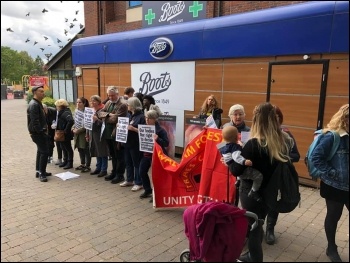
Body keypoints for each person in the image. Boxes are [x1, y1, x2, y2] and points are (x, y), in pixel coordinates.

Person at [229, 102, 294, 262]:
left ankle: (255, 257)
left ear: (257, 120)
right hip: (270, 193)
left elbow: (236, 170)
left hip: (251, 193)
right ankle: (251, 254)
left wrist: (231, 159)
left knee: (253, 227)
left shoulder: (253, 144)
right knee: (258, 222)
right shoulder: (284, 141)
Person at [311, 104, 349, 262]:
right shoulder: (332, 136)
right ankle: (331, 248)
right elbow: (316, 158)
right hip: (334, 185)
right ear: (345, 119)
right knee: (334, 215)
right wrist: (333, 173)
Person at [265, 105, 301, 245]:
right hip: (264, 175)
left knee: (274, 203)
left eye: (277, 118)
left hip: (278, 176)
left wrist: (280, 157)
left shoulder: (286, 134)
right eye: (271, 119)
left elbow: (296, 156)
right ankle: (256, 228)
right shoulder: (260, 133)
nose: (275, 121)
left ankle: (270, 229)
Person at [220, 126, 263, 202]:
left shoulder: (222, 146)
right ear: (237, 137)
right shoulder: (235, 147)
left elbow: (220, 149)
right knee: (258, 176)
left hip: (233, 168)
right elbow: (236, 157)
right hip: (240, 170)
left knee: (239, 173)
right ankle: (254, 191)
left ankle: (238, 181)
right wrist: (244, 161)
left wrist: (227, 158)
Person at [97, 86, 128, 183]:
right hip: (107, 133)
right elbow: (99, 113)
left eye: (112, 95)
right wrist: (109, 115)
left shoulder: (122, 104)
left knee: (119, 155)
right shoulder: (108, 102)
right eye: (109, 95)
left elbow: (116, 119)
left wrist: (106, 116)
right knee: (113, 154)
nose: (110, 97)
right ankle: (114, 172)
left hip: (117, 134)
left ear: (117, 94)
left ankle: (120, 175)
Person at [139, 110, 169, 201]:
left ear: (155, 119)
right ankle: (148, 190)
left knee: (155, 175)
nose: (147, 120)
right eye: (146, 118)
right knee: (142, 171)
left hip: (157, 155)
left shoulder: (160, 130)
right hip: (146, 154)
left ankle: (157, 193)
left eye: (150, 118)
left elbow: (166, 143)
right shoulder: (144, 128)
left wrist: (158, 139)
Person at [120, 97, 145, 190]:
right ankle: (129, 180)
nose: (127, 106)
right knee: (128, 162)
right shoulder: (129, 115)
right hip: (127, 142)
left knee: (136, 163)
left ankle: (139, 182)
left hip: (136, 144)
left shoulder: (141, 117)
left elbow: (145, 131)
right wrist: (120, 125)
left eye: (129, 104)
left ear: (133, 106)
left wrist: (134, 129)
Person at [27, 86, 52, 182]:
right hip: (38, 133)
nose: (43, 93)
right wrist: (41, 131)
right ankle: (42, 173)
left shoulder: (37, 103)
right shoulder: (34, 104)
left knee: (40, 151)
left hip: (38, 132)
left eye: (43, 91)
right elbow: (35, 121)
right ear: (35, 93)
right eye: (41, 91)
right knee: (45, 152)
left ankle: (39, 171)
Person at [87, 95, 109, 177]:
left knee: (102, 151)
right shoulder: (91, 111)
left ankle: (104, 169)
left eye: (94, 101)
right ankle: (98, 167)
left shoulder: (102, 111)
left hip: (100, 134)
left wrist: (97, 120)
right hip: (93, 133)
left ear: (98, 102)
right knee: (96, 150)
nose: (92, 103)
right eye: (91, 101)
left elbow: (104, 123)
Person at [72, 97, 91, 173]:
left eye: (80, 102)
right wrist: (73, 128)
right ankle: (82, 163)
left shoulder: (87, 112)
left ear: (84, 103)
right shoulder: (76, 111)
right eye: (77, 102)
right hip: (77, 133)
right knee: (80, 149)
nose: (78, 104)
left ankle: (87, 165)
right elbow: (74, 121)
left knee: (85, 149)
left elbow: (87, 124)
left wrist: (79, 130)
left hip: (84, 133)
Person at [55, 99, 75, 169]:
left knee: (68, 148)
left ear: (60, 106)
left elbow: (71, 121)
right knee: (63, 147)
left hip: (65, 134)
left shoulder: (65, 113)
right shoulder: (62, 112)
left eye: (57, 106)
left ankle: (70, 162)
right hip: (62, 133)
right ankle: (65, 161)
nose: (56, 108)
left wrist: (65, 130)